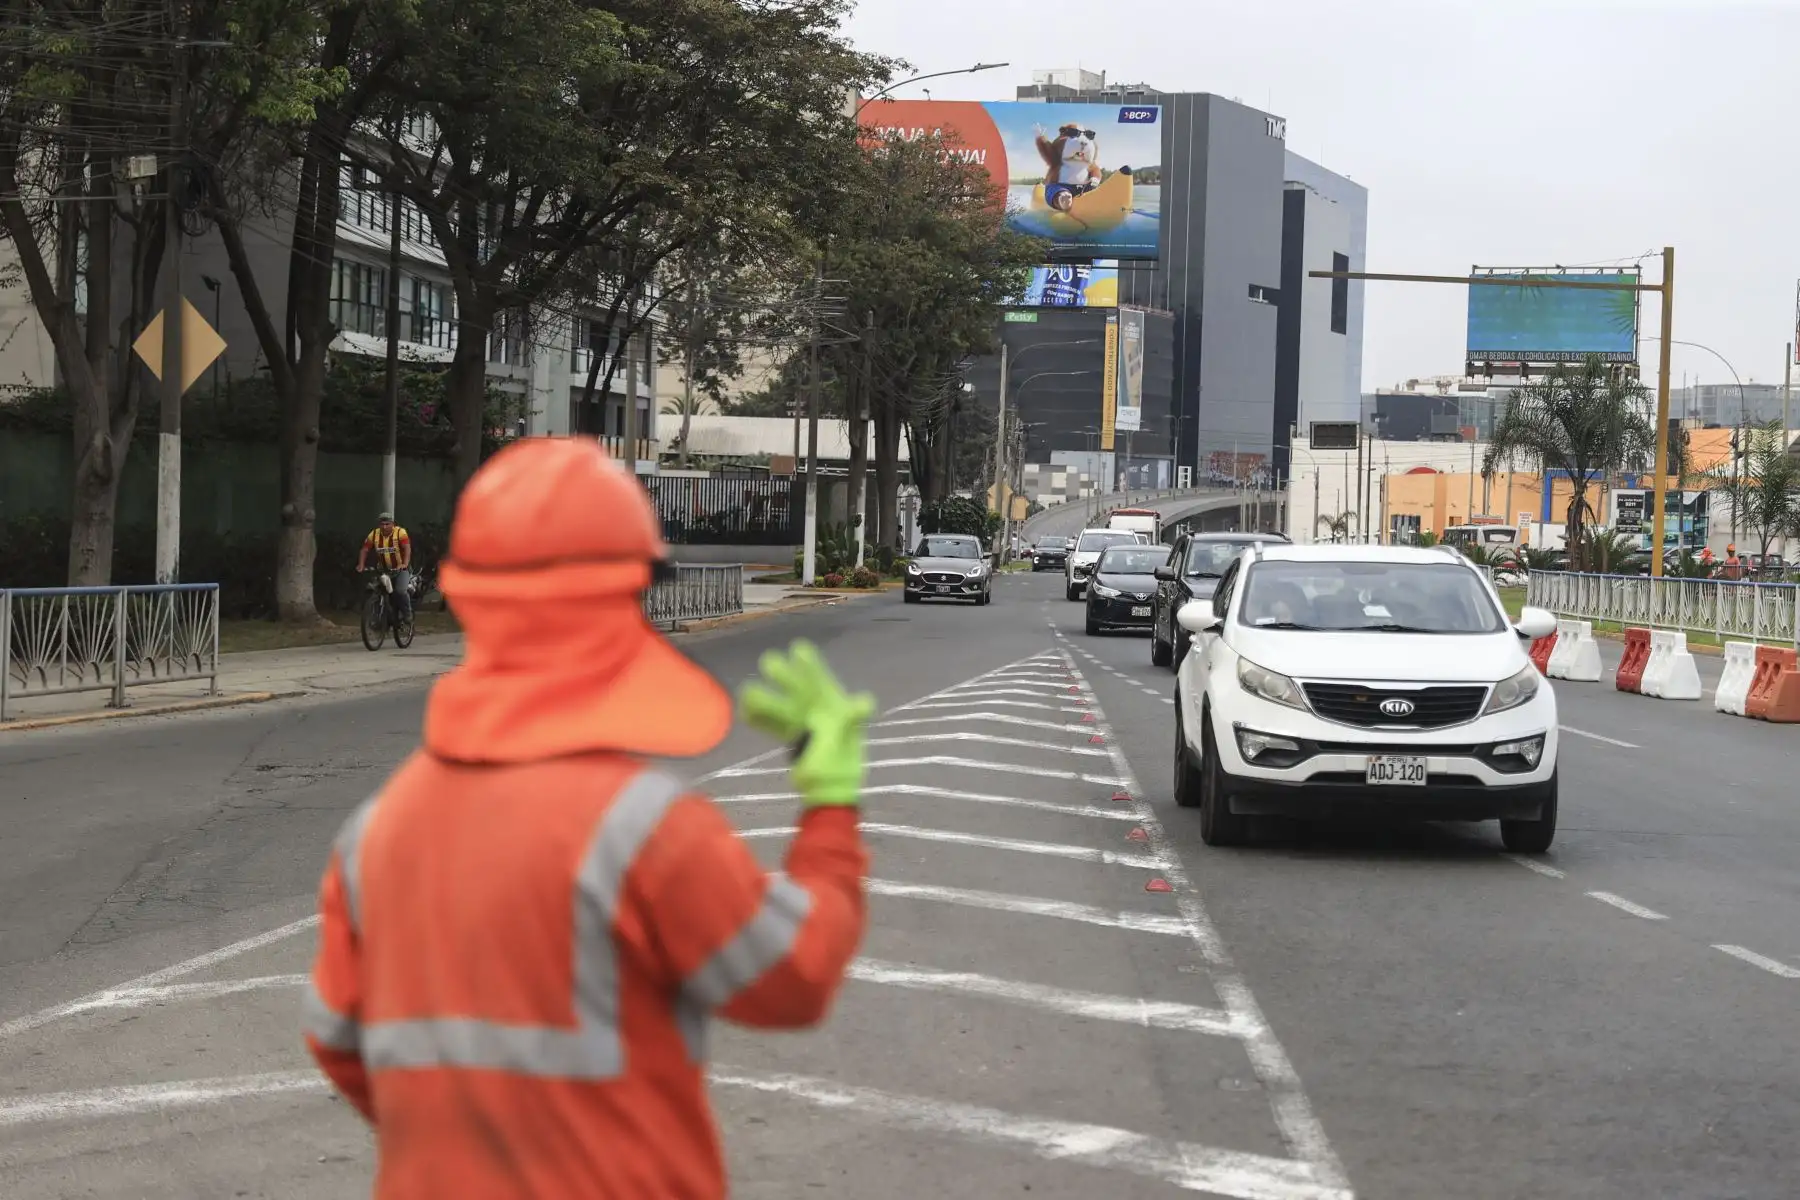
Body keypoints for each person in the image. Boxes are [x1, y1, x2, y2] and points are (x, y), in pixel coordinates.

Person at [303, 438, 875, 1198]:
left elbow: (339, 1038)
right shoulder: (645, 831)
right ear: (625, 598)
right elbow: (793, 978)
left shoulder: (374, 833)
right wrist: (830, 807)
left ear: (470, 597)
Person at [357, 511, 413, 623]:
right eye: (382, 524)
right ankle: (381, 617)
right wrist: (361, 565)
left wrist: (405, 564)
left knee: (400, 591)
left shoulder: (400, 533)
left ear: (393, 524)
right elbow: (365, 550)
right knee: (377, 590)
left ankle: (407, 614)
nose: (384, 526)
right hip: (383, 569)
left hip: (400, 569)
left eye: (387, 524)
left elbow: (407, 548)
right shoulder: (374, 534)